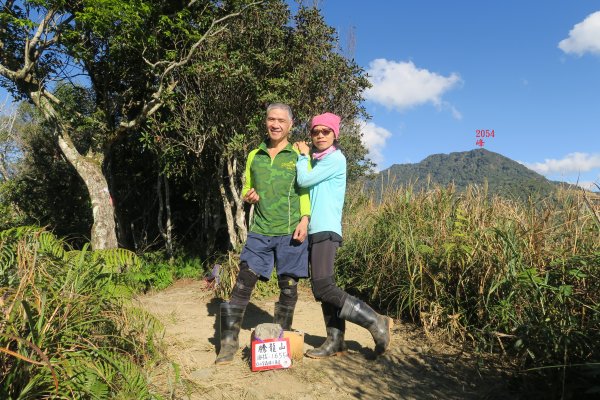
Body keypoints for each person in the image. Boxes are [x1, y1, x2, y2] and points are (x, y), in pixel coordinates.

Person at [215, 103, 310, 365]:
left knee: (288, 286)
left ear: (291, 124)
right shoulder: (254, 155)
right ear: (265, 122)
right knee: (243, 282)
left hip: (291, 230)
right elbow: (248, 186)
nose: (276, 124)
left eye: (281, 120)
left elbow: (306, 189)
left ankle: (280, 339)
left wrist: (305, 219)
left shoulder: (298, 155)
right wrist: (248, 195)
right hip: (261, 229)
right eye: (271, 119)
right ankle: (228, 343)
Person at [294, 112, 392, 358]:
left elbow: (303, 180)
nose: (319, 136)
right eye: (315, 132)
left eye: (325, 131)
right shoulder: (318, 160)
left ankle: (374, 320)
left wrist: (301, 156)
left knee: (324, 286)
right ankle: (335, 341)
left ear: (335, 134)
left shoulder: (335, 159)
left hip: (326, 227)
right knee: (322, 288)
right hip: (316, 228)